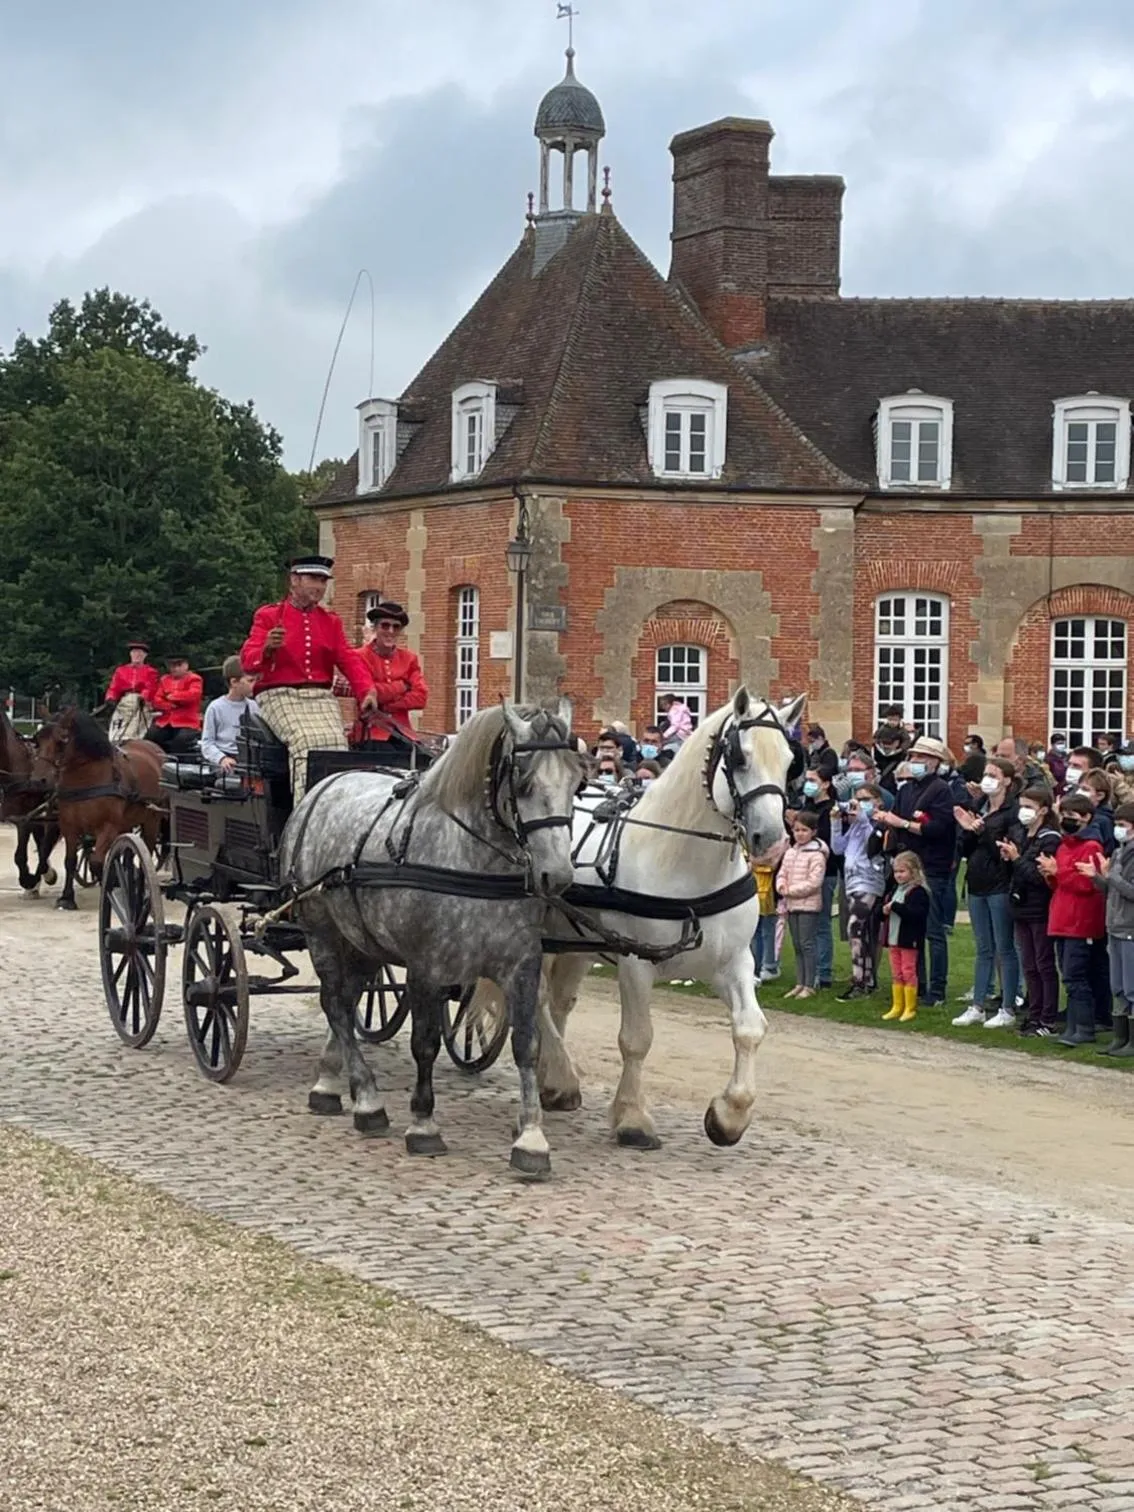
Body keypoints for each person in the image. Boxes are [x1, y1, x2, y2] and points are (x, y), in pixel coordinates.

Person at [241, 554, 377, 801]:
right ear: (294, 580)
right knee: (305, 742)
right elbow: (248, 662)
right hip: (279, 693)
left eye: (323, 581)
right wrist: (267, 649)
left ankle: (337, 806)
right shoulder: (268, 616)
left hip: (319, 695)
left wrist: (366, 690)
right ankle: (305, 812)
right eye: (313, 579)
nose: (319, 587)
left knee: (337, 744)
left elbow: (347, 658)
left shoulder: (330, 621)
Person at [875, 734, 957, 1007]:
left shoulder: (941, 790)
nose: (915, 761)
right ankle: (916, 984)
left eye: (921, 757)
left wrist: (904, 824)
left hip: (932, 865)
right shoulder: (906, 789)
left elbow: (939, 828)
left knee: (934, 931)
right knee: (913, 929)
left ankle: (938, 988)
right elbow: (897, 821)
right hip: (908, 864)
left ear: (935, 761)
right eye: (913, 757)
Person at [952, 757, 1021, 1028]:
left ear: (1006, 780)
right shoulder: (978, 808)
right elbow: (964, 849)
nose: (988, 778)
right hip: (977, 883)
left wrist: (982, 832)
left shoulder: (1011, 812)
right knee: (983, 947)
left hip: (1000, 884)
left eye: (993, 774)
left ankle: (1008, 1005)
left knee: (1005, 947)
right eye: (986, 774)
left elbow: (1004, 851)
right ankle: (977, 1004)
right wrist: (969, 831)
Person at [1038, 794, 1108, 1047]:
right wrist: (1050, 873)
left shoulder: (1091, 847)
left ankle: (1085, 1028)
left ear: (1086, 817)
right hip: (1062, 918)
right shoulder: (1065, 845)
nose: (1067, 819)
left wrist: (1059, 871)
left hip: (1081, 921)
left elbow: (1087, 884)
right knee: (1069, 975)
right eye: (1064, 814)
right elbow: (1061, 883)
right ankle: (1074, 1026)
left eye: (1072, 815)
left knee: (1076, 976)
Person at [999, 787, 1062, 1037]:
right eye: (1022, 805)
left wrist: (1016, 859)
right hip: (1022, 908)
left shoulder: (1049, 839)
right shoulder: (1025, 834)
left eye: (1029, 807)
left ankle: (1047, 1019)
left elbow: (1039, 877)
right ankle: (1034, 1015)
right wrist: (1009, 859)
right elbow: (1017, 874)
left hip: (1040, 908)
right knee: (1030, 965)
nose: (1023, 811)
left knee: (1044, 964)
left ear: (1043, 810)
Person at [1081, 800, 1134, 1057]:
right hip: (1114, 925)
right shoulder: (1120, 852)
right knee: (1118, 985)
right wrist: (1097, 878)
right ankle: (1120, 1036)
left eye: (1123, 826)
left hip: (1130, 927)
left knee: (1132, 985)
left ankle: (1131, 1041)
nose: (1118, 830)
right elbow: (1113, 889)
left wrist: (1112, 876)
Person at [831, 782, 887, 999]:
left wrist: (860, 815)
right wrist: (836, 822)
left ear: (878, 801)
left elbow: (871, 839)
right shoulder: (856, 825)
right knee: (862, 932)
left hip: (869, 880)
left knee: (855, 927)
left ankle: (859, 980)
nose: (859, 804)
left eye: (865, 799)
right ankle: (867, 979)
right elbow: (838, 848)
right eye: (857, 799)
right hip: (852, 880)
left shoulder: (878, 823)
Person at [357, 601, 428, 742]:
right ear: (375, 628)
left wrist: (386, 706)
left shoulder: (409, 658)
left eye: (396, 627)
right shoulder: (359, 657)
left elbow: (421, 697)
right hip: (371, 733)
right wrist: (402, 687)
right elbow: (366, 690)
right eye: (385, 625)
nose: (391, 631)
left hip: (403, 732)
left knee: (427, 760)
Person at [777, 811, 828, 999]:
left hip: (808, 905)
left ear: (813, 832)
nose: (799, 834)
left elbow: (814, 882)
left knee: (807, 944)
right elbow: (782, 872)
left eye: (804, 830)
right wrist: (781, 885)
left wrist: (791, 890)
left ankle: (809, 983)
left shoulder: (817, 855)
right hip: (792, 904)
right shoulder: (790, 852)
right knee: (797, 944)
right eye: (796, 830)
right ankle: (800, 982)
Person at [800, 763, 838, 987]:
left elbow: (826, 839)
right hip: (802, 870)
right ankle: (807, 970)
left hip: (826, 870)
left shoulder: (829, 808)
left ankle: (823, 972)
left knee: (821, 922)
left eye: (813, 781)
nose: (808, 785)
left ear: (825, 783)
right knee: (805, 925)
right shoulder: (807, 805)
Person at [880, 849, 929, 1023]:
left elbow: (916, 915)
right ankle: (897, 1005)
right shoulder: (896, 890)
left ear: (913, 871)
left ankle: (910, 1006)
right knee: (896, 972)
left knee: (908, 971)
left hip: (909, 939)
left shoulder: (918, 892)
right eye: (896, 872)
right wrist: (884, 910)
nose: (898, 875)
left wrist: (895, 907)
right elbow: (886, 910)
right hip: (894, 938)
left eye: (902, 871)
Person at [201, 656, 259, 770]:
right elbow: (207, 743)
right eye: (250, 681)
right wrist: (221, 758)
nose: (255, 685)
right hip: (225, 760)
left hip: (250, 760)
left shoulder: (254, 706)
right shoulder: (215, 708)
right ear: (234, 682)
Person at [104, 639, 160, 742]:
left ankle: (131, 743)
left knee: (134, 729)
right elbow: (114, 687)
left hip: (142, 702)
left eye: (140, 653)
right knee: (116, 728)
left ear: (145, 655)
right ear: (130, 654)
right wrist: (110, 698)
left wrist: (143, 696)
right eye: (134, 652)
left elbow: (150, 687)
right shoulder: (121, 671)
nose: (136, 655)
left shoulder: (151, 672)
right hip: (125, 701)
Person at [148, 656, 203, 754]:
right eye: (172, 666)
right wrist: (168, 705)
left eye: (179, 665)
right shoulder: (164, 679)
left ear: (186, 665)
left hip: (187, 721)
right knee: (152, 734)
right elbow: (157, 699)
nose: (175, 668)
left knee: (181, 740)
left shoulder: (194, 679)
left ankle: (178, 763)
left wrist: (172, 696)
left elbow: (193, 695)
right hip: (166, 720)